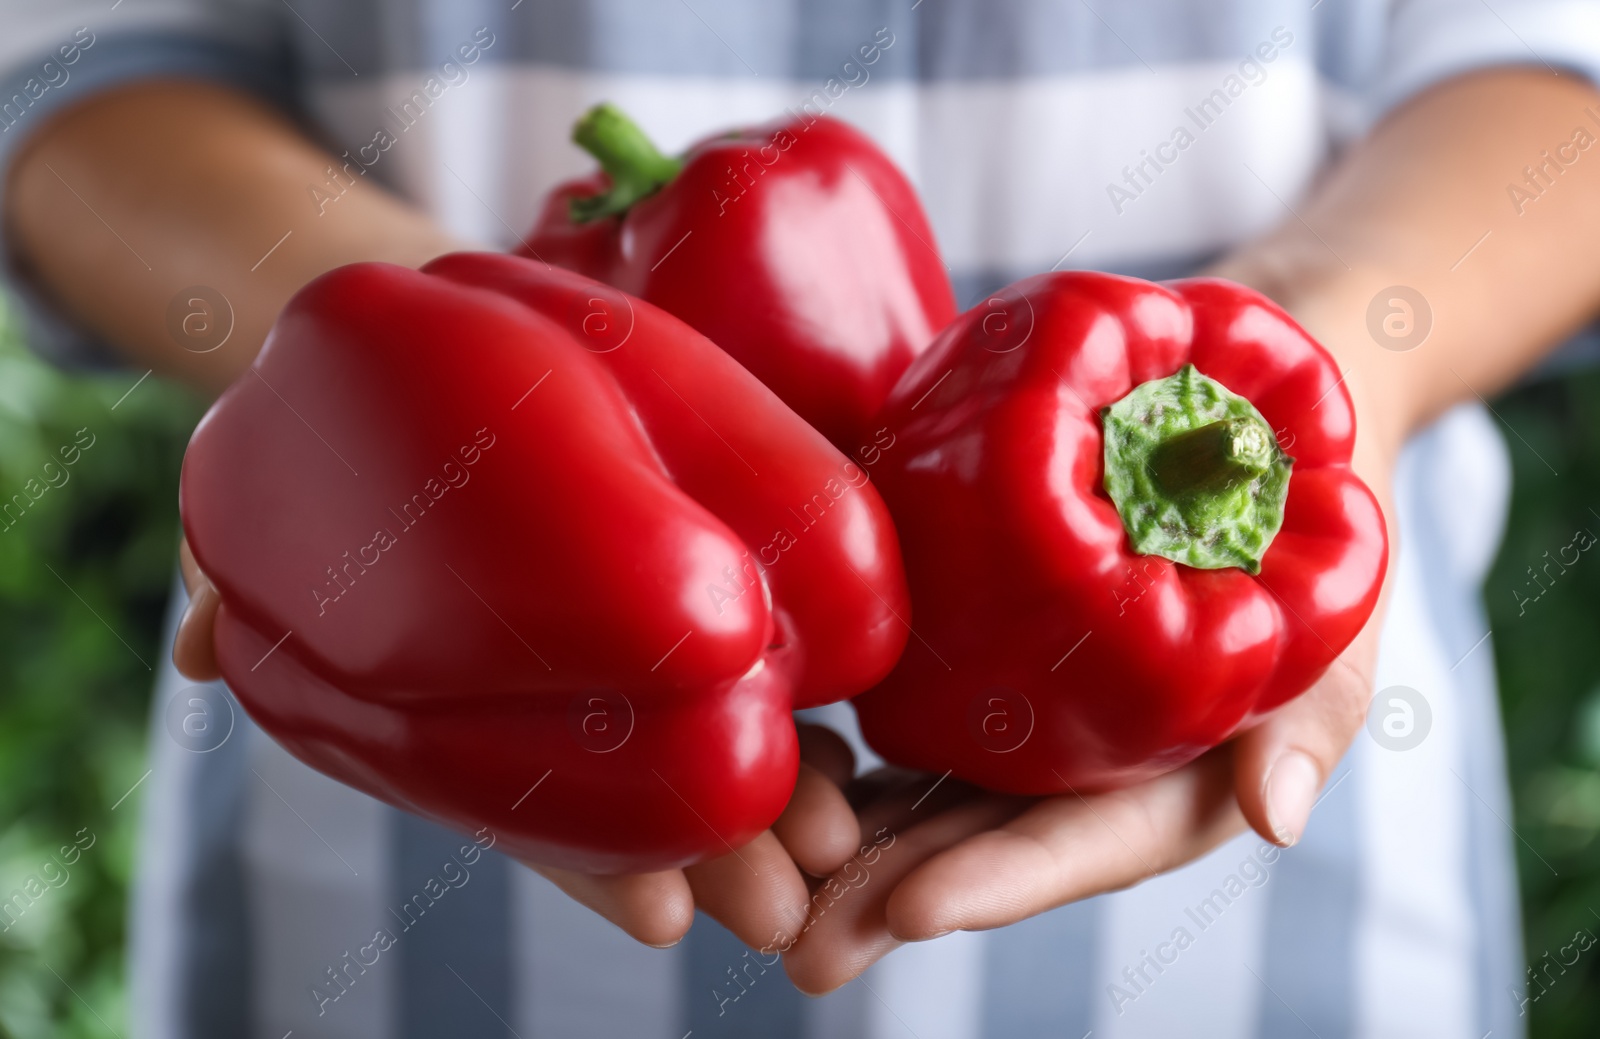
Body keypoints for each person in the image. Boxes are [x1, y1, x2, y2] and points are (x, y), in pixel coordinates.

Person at [3, 1, 1599, 1036]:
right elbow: (73, 79)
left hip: (1263, 931)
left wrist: (1339, 337)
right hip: (405, 917)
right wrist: (394, 398)